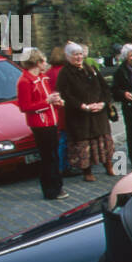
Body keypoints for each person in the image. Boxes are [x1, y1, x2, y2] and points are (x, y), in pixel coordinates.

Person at [56, 41, 115, 182]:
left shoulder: (91, 68)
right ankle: (87, 171)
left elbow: (105, 88)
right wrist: (83, 106)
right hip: (80, 116)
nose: (78, 57)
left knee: (104, 142)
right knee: (84, 145)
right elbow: (65, 95)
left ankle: (109, 166)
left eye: (80, 54)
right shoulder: (65, 73)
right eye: (75, 55)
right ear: (68, 57)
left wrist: (102, 103)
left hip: (98, 114)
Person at [15, 48, 66, 200]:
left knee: (54, 156)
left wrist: (56, 102)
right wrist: (47, 102)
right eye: (43, 61)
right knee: (47, 158)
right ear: (37, 63)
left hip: (51, 121)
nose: (46, 64)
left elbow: (47, 100)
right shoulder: (24, 81)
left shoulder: (43, 78)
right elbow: (25, 107)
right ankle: (50, 190)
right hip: (40, 124)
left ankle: (58, 186)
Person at [45, 45, 74, 176]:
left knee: (61, 138)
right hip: (64, 109)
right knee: (65, 139)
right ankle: (64, 166)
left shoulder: (48, 73)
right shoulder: (64, 72)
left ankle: (62, 165)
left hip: (54, 110)